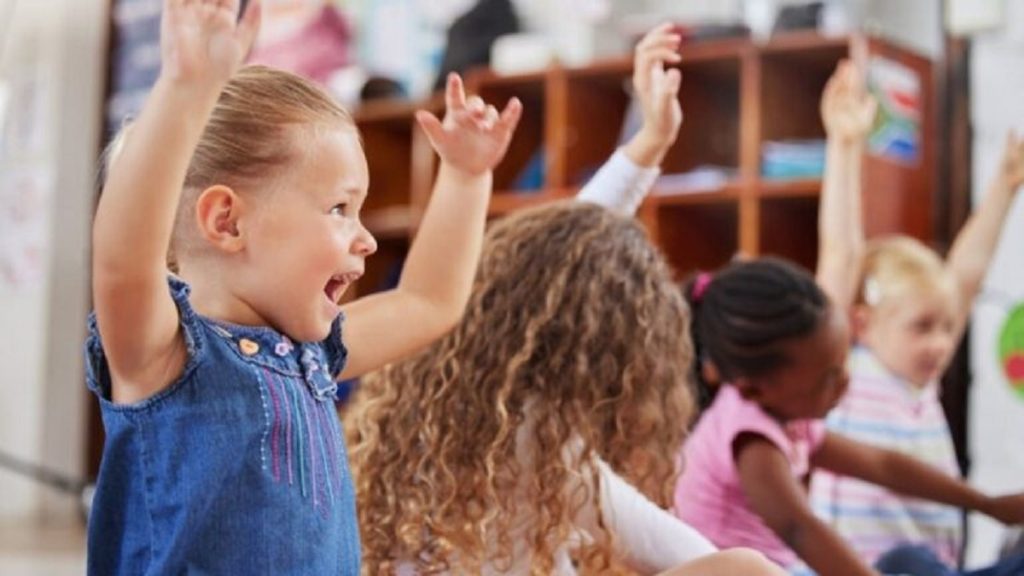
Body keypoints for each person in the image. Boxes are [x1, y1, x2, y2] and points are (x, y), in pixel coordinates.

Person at [86, 0, 521, 573]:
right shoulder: (164, 356)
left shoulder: (309, 356)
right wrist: (185, 88)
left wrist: (465, 178)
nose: (365, 239)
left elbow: (428, 301)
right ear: (227, 221)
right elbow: (122, 261)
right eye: (339, 208)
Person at [348, 24, 785, 576]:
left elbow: (560, 263)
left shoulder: (446, 403)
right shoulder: (543, 447)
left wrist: (651, 141)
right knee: (745, 568)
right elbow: (692, 555)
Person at [674, 257, 1024, 576]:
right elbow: (799, 529)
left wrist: (986, 503)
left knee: (908, 560)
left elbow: (881, 465)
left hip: (786, 569)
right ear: (755, 390)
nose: (845, 381)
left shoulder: (783, 414)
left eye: (843, 364)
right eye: (827, 377)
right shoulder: (750, 439)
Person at [810, 59, 1024, 567]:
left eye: (947, 329)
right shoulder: (845, 373)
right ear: (861, 323)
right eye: (922, 328)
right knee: (910, 560)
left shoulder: (920, 386)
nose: (941, 344)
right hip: (871, 568)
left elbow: (966, 274)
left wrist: (1006, 183)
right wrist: (844, 145)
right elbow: (840, 254)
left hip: (937, 568)